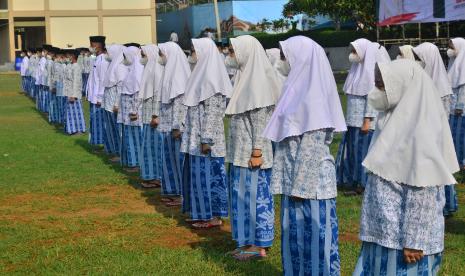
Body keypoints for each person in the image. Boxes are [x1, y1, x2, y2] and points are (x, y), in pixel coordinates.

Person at [353, 59, 459, 275]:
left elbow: (423, 191)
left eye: (382, 86)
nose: (376, 91)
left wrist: (414, 240)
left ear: (401, 87)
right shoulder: (393, 121)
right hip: (384, 233)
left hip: (404, 243)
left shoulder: (420, 132)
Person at [263, 36, 346, 275]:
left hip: (312, 187)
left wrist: (300, 188)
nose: (282, 60)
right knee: (295, 240)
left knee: (316, 241)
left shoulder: (315, 96)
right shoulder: (295, 88)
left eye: (285, 55)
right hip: (294, 183)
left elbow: (312, 147)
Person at [223, 35, 280, 260]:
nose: (230, 56)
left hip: (252, 156)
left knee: (256, 199)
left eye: (232, 51)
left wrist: (257, 152)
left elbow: (260, 123)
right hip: (239, 155)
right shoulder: (243, 77)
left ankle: (259, 245)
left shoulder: (258, 82)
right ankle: (244, 241)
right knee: (241, 199)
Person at [180, 38, 229, 227]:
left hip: (207, 141)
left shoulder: (212, 78)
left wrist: (206, 139)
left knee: (209, 177)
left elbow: (214, 113)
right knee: (198, 177)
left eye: (194, 50)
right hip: (196, 137)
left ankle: (211, 216)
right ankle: (201, 213)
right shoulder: (200, 74)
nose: (192, 54)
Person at [335, 38, 390, 192]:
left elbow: (372, 98)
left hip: (364, 123)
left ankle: (362, 183)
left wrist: (367, 120)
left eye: (355, 51)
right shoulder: (356, 69)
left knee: (362, 153)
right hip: (353, 121)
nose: (352, 54)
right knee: (352, 153)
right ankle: (351, 179)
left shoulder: (371, 73)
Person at [157, 42, 190, 206]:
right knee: (169, 160)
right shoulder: (169, 71)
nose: (160, 58)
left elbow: (180, 103)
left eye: (161, 54)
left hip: (176, 128)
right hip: (167, 125)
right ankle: (172, 191)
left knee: (178, 161)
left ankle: (180, 194)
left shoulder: (178, 75)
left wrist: (178, 126)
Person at [138, 44, 164, 188]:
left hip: (154, 118)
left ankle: (157, 177)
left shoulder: (157, 70)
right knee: (148, 147)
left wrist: (155, 115)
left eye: (143, 55)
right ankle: (149, 175)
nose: (142, 58)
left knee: (156, 148)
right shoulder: (149, 69)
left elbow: (158, 95)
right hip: (148, 115)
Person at [446, 37, 465, 216]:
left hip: (461, 111)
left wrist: (460, 106)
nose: (449, 49)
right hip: (452, 111)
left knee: (460, 139)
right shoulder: (454, 63)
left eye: (451, 46)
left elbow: (463, 88)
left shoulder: (463, 64)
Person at [118, 43, 144, 172]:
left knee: (136, 138)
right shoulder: (130, 71)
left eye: (125, 56)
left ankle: (137, 164)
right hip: (127, 114)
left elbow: (138, 93)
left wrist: (134, 110)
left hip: (134, 114)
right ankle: (131, 162)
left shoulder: (137, 72)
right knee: (129, 137)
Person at [102, 44, 127, 162]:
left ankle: (119, 153)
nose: (106, 55)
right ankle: (112, 150)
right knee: (110, 129)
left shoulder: (120, 67)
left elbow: (121, 87)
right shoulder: (112, 65)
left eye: (108, 52)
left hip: (114, 104)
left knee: (117, 130)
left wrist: (117, 104)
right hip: (108, 103)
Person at [413, 42, 453, 116]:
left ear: (429, 58)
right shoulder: (422, 78)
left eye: (419, 59)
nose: (416, 62)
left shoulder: (441, 89)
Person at [86, 36, 109, 149]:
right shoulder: (96, 58)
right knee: (94, 121)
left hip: (98, 98)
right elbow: (92, 79)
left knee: (100, 121)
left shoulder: (104, 60)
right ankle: (96, 142)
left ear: (98, 45)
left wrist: (100, 97)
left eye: (92, 44)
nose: (91, 47)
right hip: (93, 96)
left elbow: (103, 80)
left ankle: (102, 143)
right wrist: (88, 93)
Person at [64, 49, 86, 135]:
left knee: (76, 112)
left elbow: (76, 82)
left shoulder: (76, 67)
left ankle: (79, 130)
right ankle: (71, 129)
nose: (67, 57)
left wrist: (73, 95)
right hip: (68, 92)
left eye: (69, 55)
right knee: (70, 113)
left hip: (74, 94)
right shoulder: (70, 65)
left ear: (73, 56)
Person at [47, 47, 60, 124]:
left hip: (57, 86)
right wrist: (52, 86)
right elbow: (51, 76)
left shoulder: (56, 63)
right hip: (54, 86)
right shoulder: (53, 63)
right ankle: (53, 118)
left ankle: (55, 118)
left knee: (56, 103)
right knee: (53, 102)